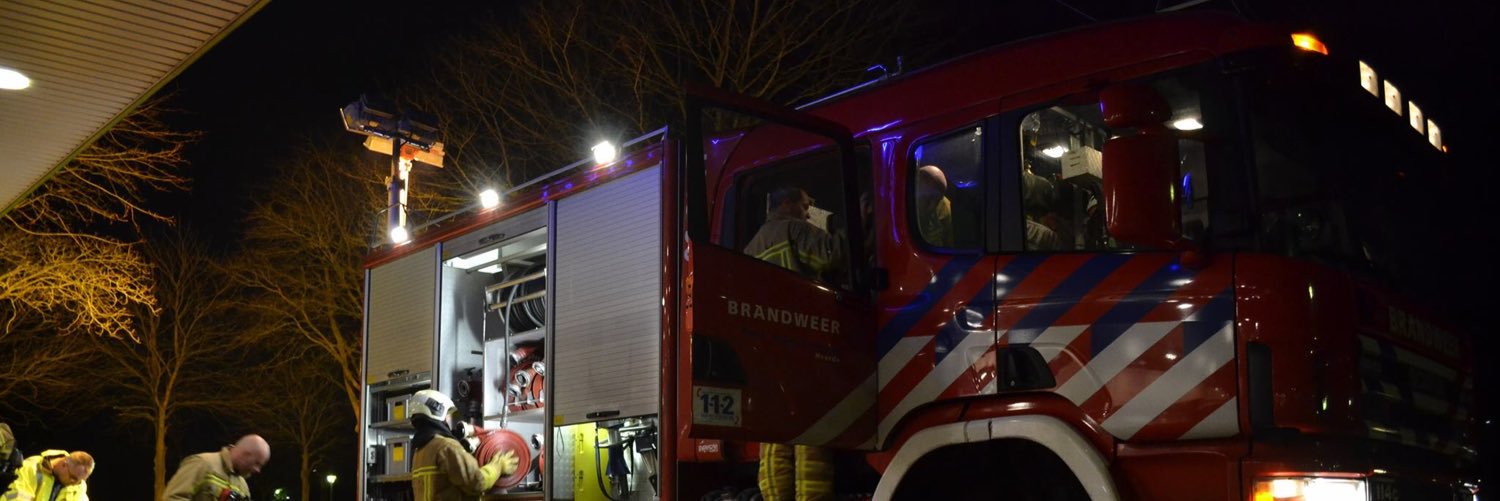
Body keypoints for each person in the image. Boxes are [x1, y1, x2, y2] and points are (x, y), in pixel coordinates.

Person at [407, 389, 519, 501]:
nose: (450, 420)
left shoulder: (420, 452)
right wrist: (498, 467)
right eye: (448, 414)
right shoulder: (446, 446)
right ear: (437, 411)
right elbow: (476, 482)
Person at [743, 186, 844, 280]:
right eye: (804, 207)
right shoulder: (793, 228)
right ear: (786, 204)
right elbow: (833, 253)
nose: (808, 215)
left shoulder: (749, 250)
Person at [161, 434, 269, 501]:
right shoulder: (202, 463)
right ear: (246, 454)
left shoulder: (242, 485)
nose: (257, 470)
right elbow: (172, 498)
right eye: (257, 463)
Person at [2, 449, 94, 501]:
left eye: (81, 480)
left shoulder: (78, 484)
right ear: (64, 465)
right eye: (73, 478)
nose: (75, 483)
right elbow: (16, 498)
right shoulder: (32, 467)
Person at [914, 165, 954, 247]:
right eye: (927, 199)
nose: (932, 207)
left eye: (937, 200)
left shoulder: (944, 205)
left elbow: (948, 243)